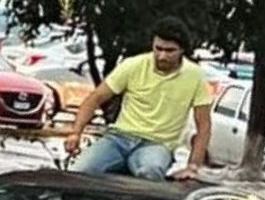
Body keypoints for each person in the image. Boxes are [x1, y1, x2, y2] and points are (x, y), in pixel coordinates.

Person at [64, 17, 212, 181]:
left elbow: (204, 125)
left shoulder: (195, 76)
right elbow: (95, 98)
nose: (162, 56)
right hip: (119, 138)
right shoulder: (133, 65)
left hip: (157, 144)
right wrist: (75, 133)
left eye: (170, 51)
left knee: (150, 171)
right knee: (80, 171)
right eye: (158, 48)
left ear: (182, 50)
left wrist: (193, 166)